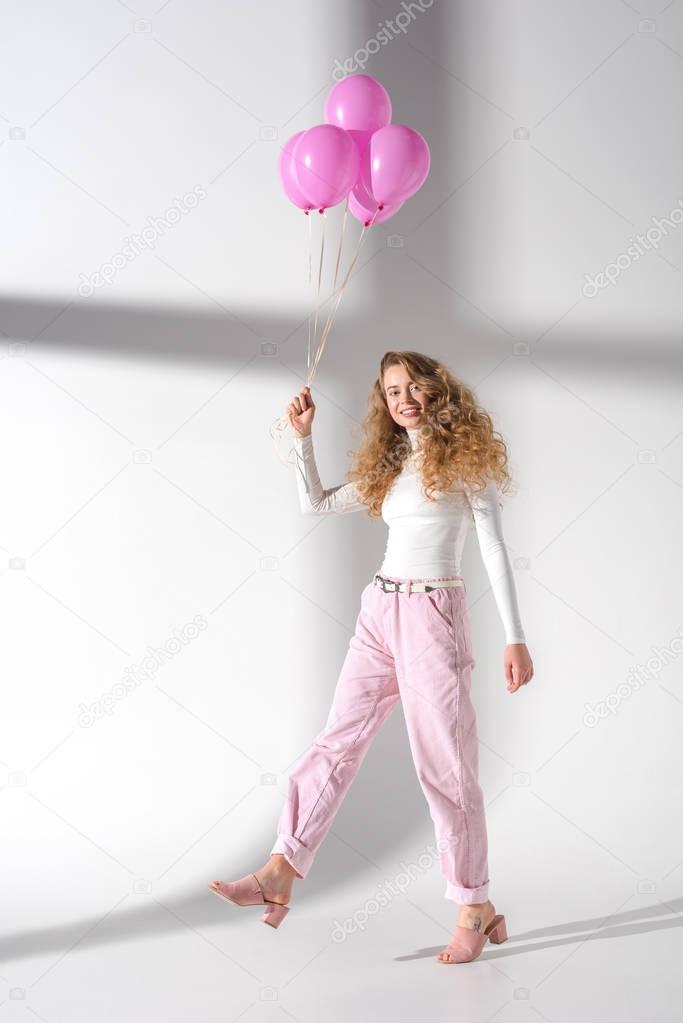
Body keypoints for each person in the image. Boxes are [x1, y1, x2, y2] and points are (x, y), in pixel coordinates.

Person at [209, 350, 534, 963]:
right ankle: (282, 866)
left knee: (446, 767)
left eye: (413, 386)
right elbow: (318, 503)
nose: (403, 398)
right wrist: (303, 440)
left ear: (438, 391)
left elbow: (493, 547)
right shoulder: (392, 466)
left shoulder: (466, 462)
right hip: (379, 609)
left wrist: (514, 636)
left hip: (435, 615)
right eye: (391, 391)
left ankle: (473, 902)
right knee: (337, 741)